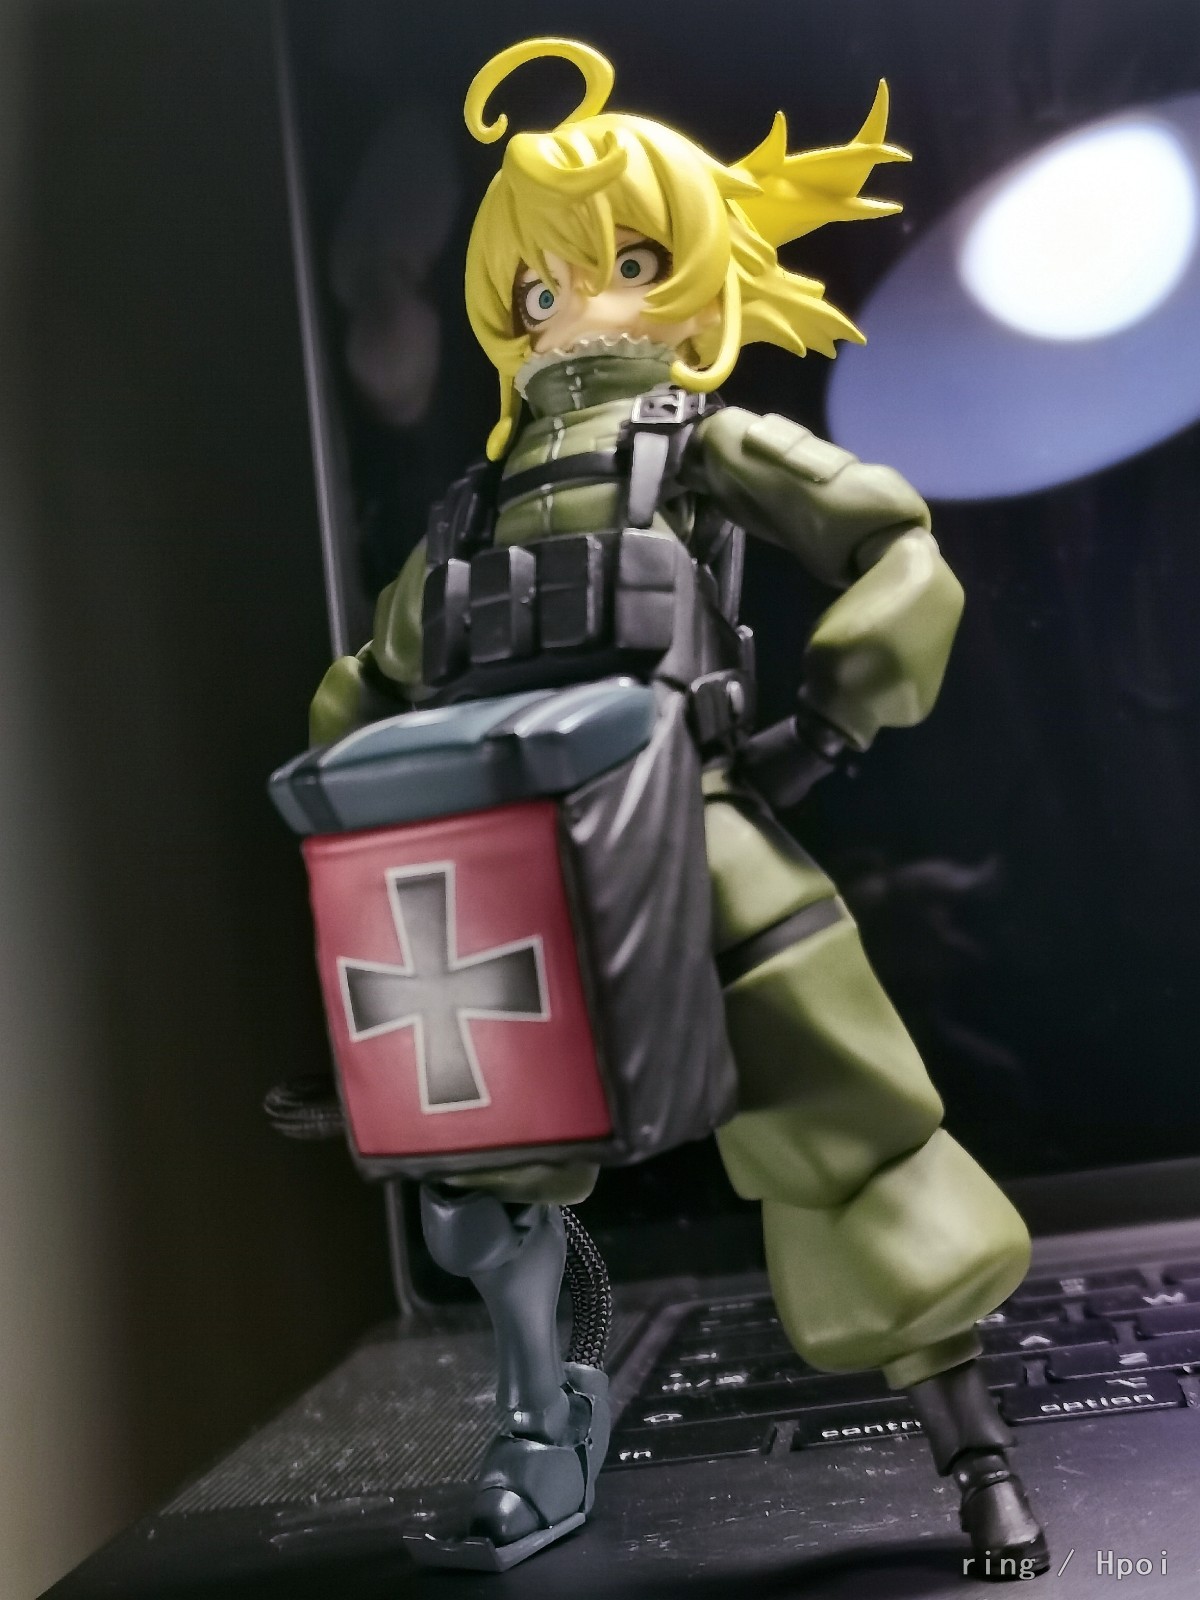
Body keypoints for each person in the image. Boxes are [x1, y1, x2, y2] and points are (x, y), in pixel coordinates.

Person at [310, 37, 1048, 1578]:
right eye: (539, 285)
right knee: (477, 1185)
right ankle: (543, 1430)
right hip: (504, 874)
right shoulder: (469, 517)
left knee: (852, 1132)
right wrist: (367, 882)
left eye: (627, 264)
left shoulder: (700, 446)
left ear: (696, 278)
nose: (576, 307)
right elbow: (363, 694)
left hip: (695, 833)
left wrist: (829, 727)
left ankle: (973, 1448)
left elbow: (896, 550)